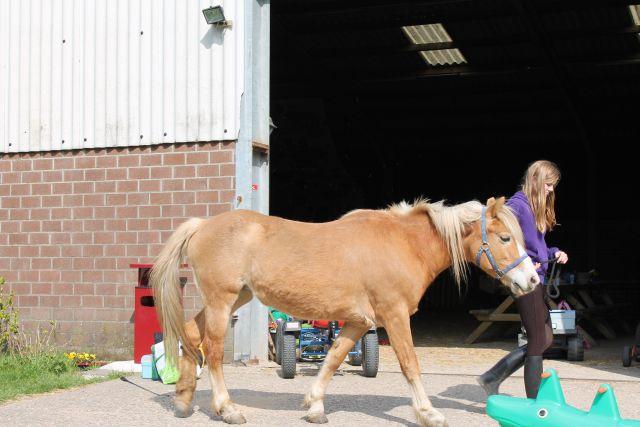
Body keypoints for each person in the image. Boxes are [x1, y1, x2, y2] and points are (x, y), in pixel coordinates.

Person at [477, 160, 569, 399]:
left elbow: (537, 245)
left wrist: (553, 252)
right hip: (525, 279)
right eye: (548, 184)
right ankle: (534, 399)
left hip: (538, 278)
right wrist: (524, 261)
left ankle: (492, 377)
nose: (551, 189)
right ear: (536, 180)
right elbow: (500, 236)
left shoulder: (533, 207)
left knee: (546, 338)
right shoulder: (517, 205)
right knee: (538, 339)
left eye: (553, 185)